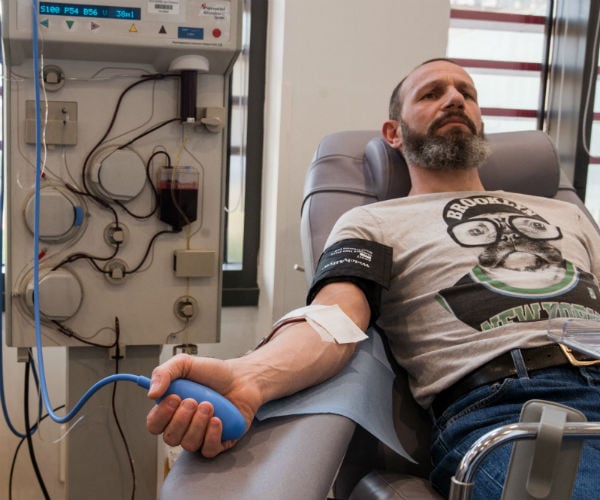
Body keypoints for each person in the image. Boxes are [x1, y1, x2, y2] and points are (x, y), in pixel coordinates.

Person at [146, 58, 600, 498]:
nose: (455, 100)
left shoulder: (567, 214)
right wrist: (248, 377)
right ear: (393, 133)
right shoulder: (372, 222)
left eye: (467, 94)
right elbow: (335, 318)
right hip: (516, 409)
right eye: (432, 93)